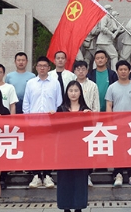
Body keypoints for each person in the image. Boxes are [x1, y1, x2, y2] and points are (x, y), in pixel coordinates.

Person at [23, 56, 62, 188]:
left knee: (48, 149)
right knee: (34, 149)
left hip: (49, 123)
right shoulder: (31, 83)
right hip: (33, 124)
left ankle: (47, 175)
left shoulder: (55, 83)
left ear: (49, 68)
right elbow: (26, 103)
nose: (42, 68)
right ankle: (36, 175)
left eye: (45, 66)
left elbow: (59, 102)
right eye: (40, 66)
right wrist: (28, 120)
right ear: (36, 67)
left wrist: (55, 118)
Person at [106, 60, 131, 186]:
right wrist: (110, 121)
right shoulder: (112, 87)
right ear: (117, 71)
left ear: (129, 71)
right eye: (120, 70)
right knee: (118, 149)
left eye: (125, 69)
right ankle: (118, 174)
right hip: (117, 124)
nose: (123, 72)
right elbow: (109, 105)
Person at [56, 81, 91, 212]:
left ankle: (78, 206)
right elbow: (55, 128)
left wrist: (89, 116)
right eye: (70, 90)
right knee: (65, 178)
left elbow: (91, 129)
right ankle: (66, 206)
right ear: (67, 93)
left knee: (80, 179)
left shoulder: (85, 109)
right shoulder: (61, 109)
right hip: (64, 149)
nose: (73, 93)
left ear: (80, 92)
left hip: (81, 150)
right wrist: (52, 117)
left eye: (76, 90)